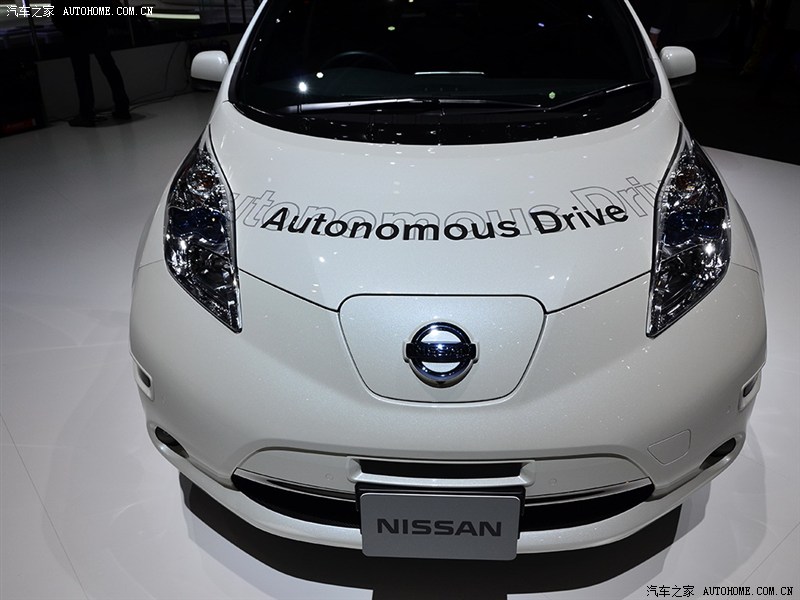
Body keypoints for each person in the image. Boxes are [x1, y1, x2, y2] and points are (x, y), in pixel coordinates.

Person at [51, 1, 130, 126]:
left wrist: (63, 27)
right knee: (109, 67)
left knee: (82, 73)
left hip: (74, 30)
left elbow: (58, 12)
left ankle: (86, 113)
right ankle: (122, 106)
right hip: (97, 25)